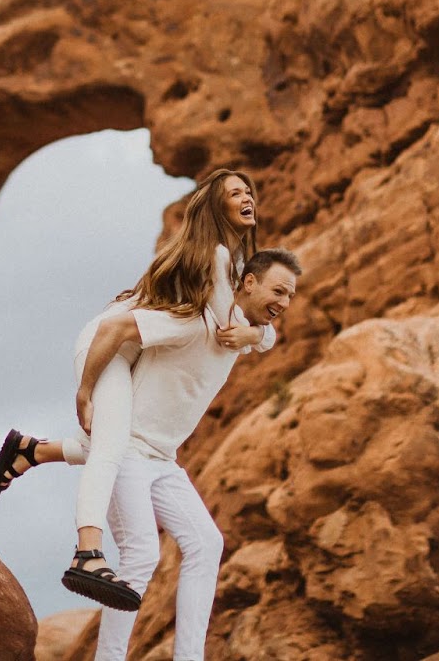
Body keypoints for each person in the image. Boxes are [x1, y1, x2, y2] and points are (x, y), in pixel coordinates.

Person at [0, 169, 275, 610]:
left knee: (130, 443)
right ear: (218, 208)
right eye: (235, 192)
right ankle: (87, 553)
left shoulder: (232, 264)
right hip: (109, 344)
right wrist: (84, 391)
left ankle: (33, 450)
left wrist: (256, 335)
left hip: (135, 346)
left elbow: (251, 329)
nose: (246, 196)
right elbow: (231, 329)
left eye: (248, 190)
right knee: (113, 446)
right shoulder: (217, 257)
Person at [94, 248, 301, 660]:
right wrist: (87, 393)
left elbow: (268, 336)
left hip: (163, 460)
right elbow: (118, 328)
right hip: (127, 449)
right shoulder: (195, 319)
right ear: (247, 282)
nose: (285, 302)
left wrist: (256, 335)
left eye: (291, 295)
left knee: (206, 543)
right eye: (279, 290)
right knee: (141, 555)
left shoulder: (242, 329)